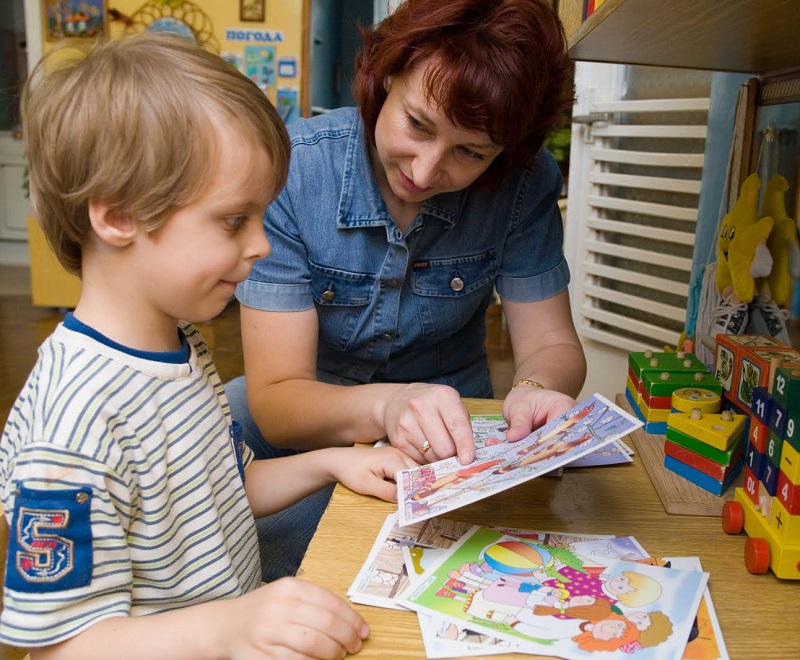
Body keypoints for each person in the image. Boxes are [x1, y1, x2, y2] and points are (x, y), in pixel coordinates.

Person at [0, 32, 418, 659]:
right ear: (116, 216)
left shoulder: (179, 346)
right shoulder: (72, 424)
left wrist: (332, 464)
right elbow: (64, 646)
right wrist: (230, 628)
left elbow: (223, 489)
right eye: (233, 221)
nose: (261, 245)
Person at [227, 0, 587, 580]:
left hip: (444, 436)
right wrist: (387, 406)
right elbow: (277, 403)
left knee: (430, 561)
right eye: (417, 125)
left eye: (470, 152)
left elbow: (552, 345)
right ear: (387, 71)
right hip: (301, 419)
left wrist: (534, 390)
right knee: (252, 552)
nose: (423, 172)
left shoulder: (524, 183)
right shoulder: (298, 168)